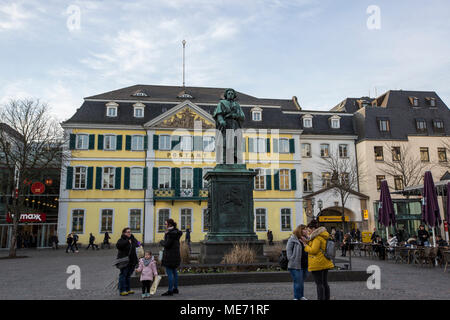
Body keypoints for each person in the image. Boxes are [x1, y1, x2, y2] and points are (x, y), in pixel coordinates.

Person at [300, 220, 334, 300]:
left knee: (319, 284)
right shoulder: (323, 235)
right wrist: (307, 242)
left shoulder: (317, 238)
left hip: (318, 263)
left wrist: (305, 245)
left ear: (313, 229)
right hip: (324, 261)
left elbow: (313, 251)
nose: (308, 232)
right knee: (325, 283)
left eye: (309, 230)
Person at [160, 218, 183, 296]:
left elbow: (167, 244)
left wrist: (161, 242)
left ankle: (170, 291)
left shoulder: (170, 234)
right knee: (175, 272)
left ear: (169, 225)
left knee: (169, 273)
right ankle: (175, 288)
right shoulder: (176, 232)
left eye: (165, 224)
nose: (165, 225)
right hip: (176, 255)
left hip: (169, 256)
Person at [286, 224, 309, 300]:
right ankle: (296, 297)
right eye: (304, 229)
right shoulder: (293, 239)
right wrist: (291, 258)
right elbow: (288, 250)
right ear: (300, 230)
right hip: (295, 265)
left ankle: (301, 296)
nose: (306, 230)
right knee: (297, 282)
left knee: (301, 282)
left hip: (305, 264)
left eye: (306, 229)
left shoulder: (307, 239)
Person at [116, 227, 139, 296]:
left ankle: (128, 289)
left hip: (132, 260)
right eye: (128, 232)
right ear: (124, 233)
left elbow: (138, 243)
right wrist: (127, 241)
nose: (129, 233)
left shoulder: (133, 239)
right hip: (124, 261)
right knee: (123, 275)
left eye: (130, 232)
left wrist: (139, 244)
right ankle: (122, 290)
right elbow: (118, 246)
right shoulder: (121, 239)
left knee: (128, 276)